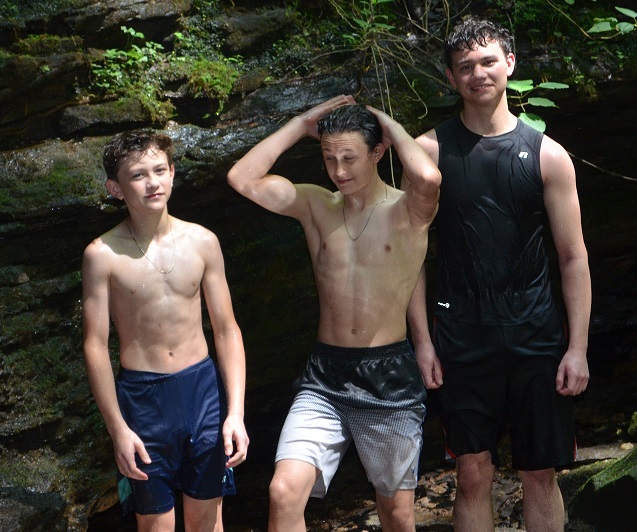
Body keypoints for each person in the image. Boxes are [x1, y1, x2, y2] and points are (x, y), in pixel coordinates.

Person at [403, 16, 591, 531]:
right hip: (462, 337)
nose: (478, 74)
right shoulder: (427, 154)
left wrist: (577, 347)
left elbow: (573, 257)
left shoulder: (549, 156)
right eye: (465, 67)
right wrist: (423, 343)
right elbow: (411, 257)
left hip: (537, 337)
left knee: (540, 473)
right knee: (471, 474)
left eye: (488, 61)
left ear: (510, 64)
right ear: (450, 78)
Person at [227, 96, 440, 531]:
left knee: (396, 512)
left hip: (389, 377)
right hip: (325, 375)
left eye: (349, 158)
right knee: (283, 492)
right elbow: (241, 178)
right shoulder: (315, 206)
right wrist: (300, 121)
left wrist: (387, 122)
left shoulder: (406, 211)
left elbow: (428, 175)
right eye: (329, 159)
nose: (339, 171)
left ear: (378, 152)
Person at [82, 130, 249, 532]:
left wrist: (237, 413)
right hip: (143, 401)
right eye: (138, 175)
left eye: (160, 170)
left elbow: (227, 331)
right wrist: (118, 429)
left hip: (202, 392)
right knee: (155, 523)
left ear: (173, 174)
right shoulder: (102, 255)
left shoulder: (202, 242)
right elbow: (95, 346)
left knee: (207, 522)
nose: (152, 182)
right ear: (116, 189)